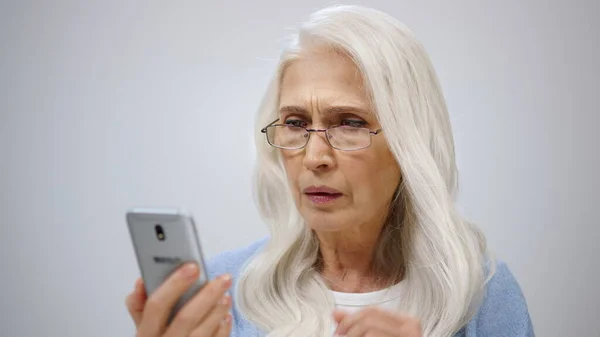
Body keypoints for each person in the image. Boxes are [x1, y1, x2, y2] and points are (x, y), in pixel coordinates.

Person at [125, 5, 534, 337]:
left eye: (350, 123)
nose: (314, 156)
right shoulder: (220, 294)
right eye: (296, 123)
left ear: (409, 144)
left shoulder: (480, 292)